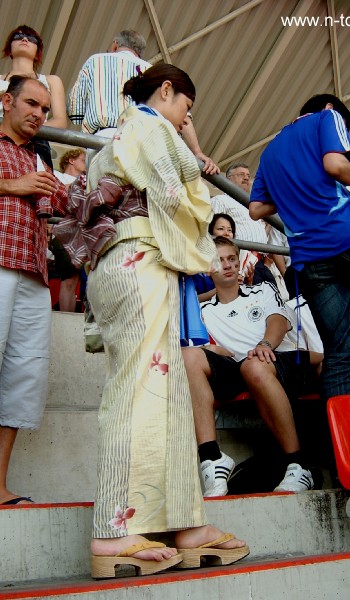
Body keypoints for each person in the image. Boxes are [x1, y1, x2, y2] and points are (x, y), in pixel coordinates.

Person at [57, 64, 248, 577]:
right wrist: (193, 157)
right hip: (139, 259)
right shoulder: (151, 127)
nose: (187, 117)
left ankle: (185, 520)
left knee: (164, 393)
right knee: (138, 390)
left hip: (126, 263)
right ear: (166, 91)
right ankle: (112, 532)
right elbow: (181, 196)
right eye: (186, 105)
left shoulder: (118, 138)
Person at [249, 93, 350, 407]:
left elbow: (256, 208)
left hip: (311, 258)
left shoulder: (270, 153)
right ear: (329, 109)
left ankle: (345, 448)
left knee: (339, 352)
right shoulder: (328, 117)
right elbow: (335, 163)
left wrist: (294, 192)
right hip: (349, 231)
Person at [183, 237, 322, 497]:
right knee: (190, 356)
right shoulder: (202, 311)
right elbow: (198, 347)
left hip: (278, 358)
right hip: (238, 367)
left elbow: (279, 321)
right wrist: (206, 349)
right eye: (219, 260)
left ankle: (298, 464)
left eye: (232, 259)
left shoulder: (263, 289)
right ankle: (212, 458)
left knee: (254, 365)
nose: (227, 265)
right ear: (208, 268)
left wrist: (265, 343)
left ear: (238, 263)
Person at [0, 75, 68, 505]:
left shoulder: (39, 160)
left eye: (44, 109)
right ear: (6, 101)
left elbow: (64, 202)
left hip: (32, 273)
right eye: (31, 103)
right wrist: (11, 185)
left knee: (23, 380)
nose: (39, 114)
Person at [67, 30, 218, 174]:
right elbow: (183, 117)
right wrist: (197, 151)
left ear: (115, 45)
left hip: (101, 141)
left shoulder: (96, 60)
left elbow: (74, 111)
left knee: (101, 195)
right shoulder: (151, 72)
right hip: (143, 145)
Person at [1, 25, 67, 168]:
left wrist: (28, 128)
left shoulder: (51, 80)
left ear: (38, 51)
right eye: (18, 37)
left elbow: (60, 122)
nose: (24, 39)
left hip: (36, 143)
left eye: (31, 39)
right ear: (9, 47)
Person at [211, 163, 284, 284]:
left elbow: (257, 235)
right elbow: (213, 232)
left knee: (271, 298)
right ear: (229, 178)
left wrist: (269, 225)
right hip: (241, 260)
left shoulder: (251, 206)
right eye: (241, 174)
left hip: (261, 262)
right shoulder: (220, 200)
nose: (246, 178)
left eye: (248, 175)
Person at [52, 149, 87, 311]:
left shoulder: (88, 180)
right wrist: (82, 184)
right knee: (69, 280)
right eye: (82, 159)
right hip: (66, 233)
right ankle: (67, 323)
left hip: (86, 232)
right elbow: (58, 194)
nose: (85, 162)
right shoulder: (56, 176)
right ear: (71, 160)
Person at [193, 213, 254, 302]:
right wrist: (223, 288)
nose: (226, 234)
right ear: (210, 232)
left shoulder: (234, 262)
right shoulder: (197, 267)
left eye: (230, 230)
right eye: (221, 229)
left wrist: (248, 283)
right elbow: (189, 303)